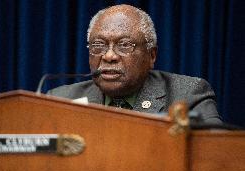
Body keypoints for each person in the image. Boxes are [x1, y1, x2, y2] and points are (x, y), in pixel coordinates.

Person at [48, 4, 222, 124]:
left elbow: (217, 155)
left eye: (124, 45)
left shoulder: (187, 95)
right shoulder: (61, 100)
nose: (109, 56)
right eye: (98, 45)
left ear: (151, 55)